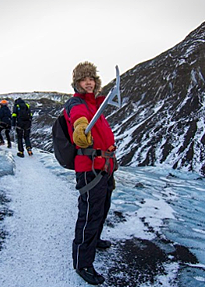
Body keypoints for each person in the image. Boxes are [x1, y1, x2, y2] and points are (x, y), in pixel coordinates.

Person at [66, 61, 117, 285]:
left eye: (91, 79)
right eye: (83, 79)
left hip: (105, 166)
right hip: (90, 169)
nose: (88, 82)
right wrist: (79, 127)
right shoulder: (76, 103)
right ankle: (82, 263)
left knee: (102, 208)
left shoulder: (96, 105)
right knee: (90, 214)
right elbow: (79, 118)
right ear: (77, 83)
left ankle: (94, 240)